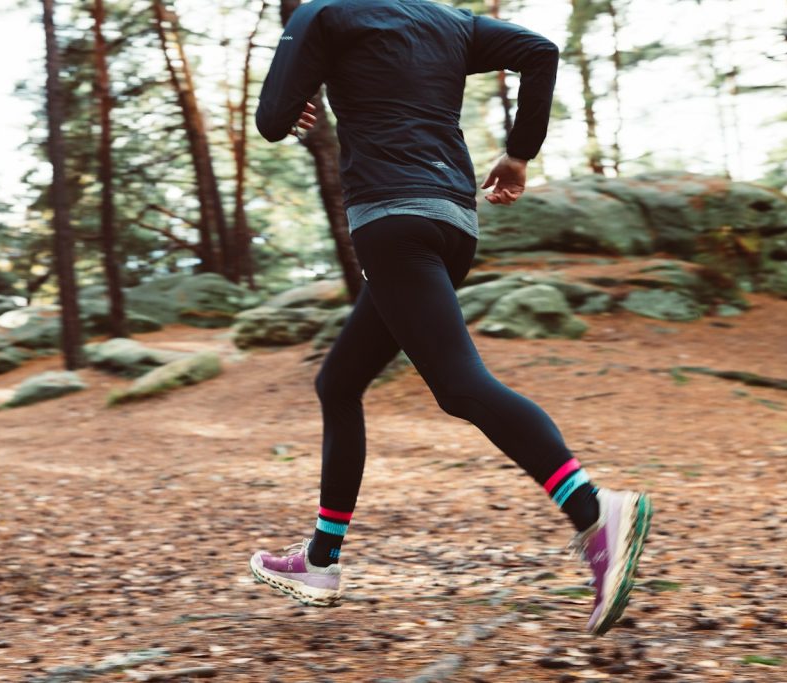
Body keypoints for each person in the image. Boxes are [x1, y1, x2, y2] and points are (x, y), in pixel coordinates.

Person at [249, 0, 651, 636]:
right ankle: (320, 561)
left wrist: (293, 99)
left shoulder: (326, 15)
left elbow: (272, 121)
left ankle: (593, 510)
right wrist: (519, 154)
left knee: (461, 386)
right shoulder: (450, 21)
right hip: (454, 224)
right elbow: (539, 51)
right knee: (339, 382)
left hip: (391, 221)